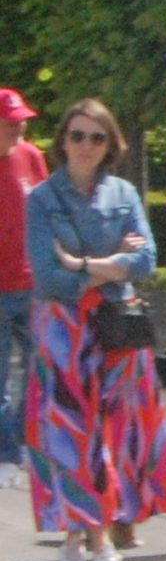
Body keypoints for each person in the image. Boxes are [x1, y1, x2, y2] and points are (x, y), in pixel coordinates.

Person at [22, 99, 166, 561]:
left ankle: (76, 536)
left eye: (98, 137)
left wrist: (85, 266)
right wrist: (112, 265)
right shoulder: (42, 199)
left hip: (117, 326)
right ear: (62, 140)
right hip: (63, 328)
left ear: (111, 144)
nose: (87, 146)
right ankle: (100, 544)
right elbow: (47, 274)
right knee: (72, 433)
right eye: (78, 135)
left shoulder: (124, 193)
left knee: (120, 434)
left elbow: (147, 258)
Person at [0, 88, 44, 492]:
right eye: (11, 122)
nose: (19, 127)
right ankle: (5, 453)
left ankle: (27, 444)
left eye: (21, 121)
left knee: (36, 372)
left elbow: (46, 211)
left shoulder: (31, 156)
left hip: (31, 285)